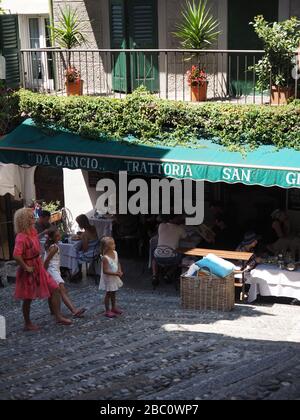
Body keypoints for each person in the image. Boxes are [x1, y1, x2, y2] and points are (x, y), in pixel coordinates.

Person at [13, 208, 72, 331]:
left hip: (38, 266)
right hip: (29, 270)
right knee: (28, 299)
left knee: (55, 288)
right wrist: (26, 267)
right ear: (23, 220)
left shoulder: (32, 231)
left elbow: (37, 239)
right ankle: (27, 323)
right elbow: (16, 255)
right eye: (30, 217)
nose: (33, 218)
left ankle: (58, 316)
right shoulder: (21, 237)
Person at [44, 229, 86, 318]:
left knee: (52, 292)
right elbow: (47, 261)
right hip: (53, 271)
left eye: (59, 235)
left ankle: (52, 310)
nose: (59, 237)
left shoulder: (51, 245)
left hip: (54, 270)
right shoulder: (54, 247)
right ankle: (74, 310)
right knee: (62, 290)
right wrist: (44, 272)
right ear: (52, 238)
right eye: (57, 236)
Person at [152, 215, 187, 285]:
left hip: (158, 256)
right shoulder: (179, 228)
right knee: (180, 258)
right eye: (178, 218)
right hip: (171, 257)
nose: (179, 219)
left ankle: (155, 276)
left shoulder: (161, 225)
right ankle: (168, 274)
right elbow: (186, 237)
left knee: (154, 259)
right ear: (172, 219)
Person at [99, 236, 123, 318]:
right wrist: (116, 273)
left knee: (114, 292)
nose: (114, 245)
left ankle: (113, 307)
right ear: (106, 247)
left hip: (114, 276)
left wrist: (119, 270)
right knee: (108, 293)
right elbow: (105, 271)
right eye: (112, 244)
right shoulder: (105, 258)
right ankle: (107, 310)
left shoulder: (115, 253)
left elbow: (118, 262)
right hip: (109, 278)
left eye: (114, 243)